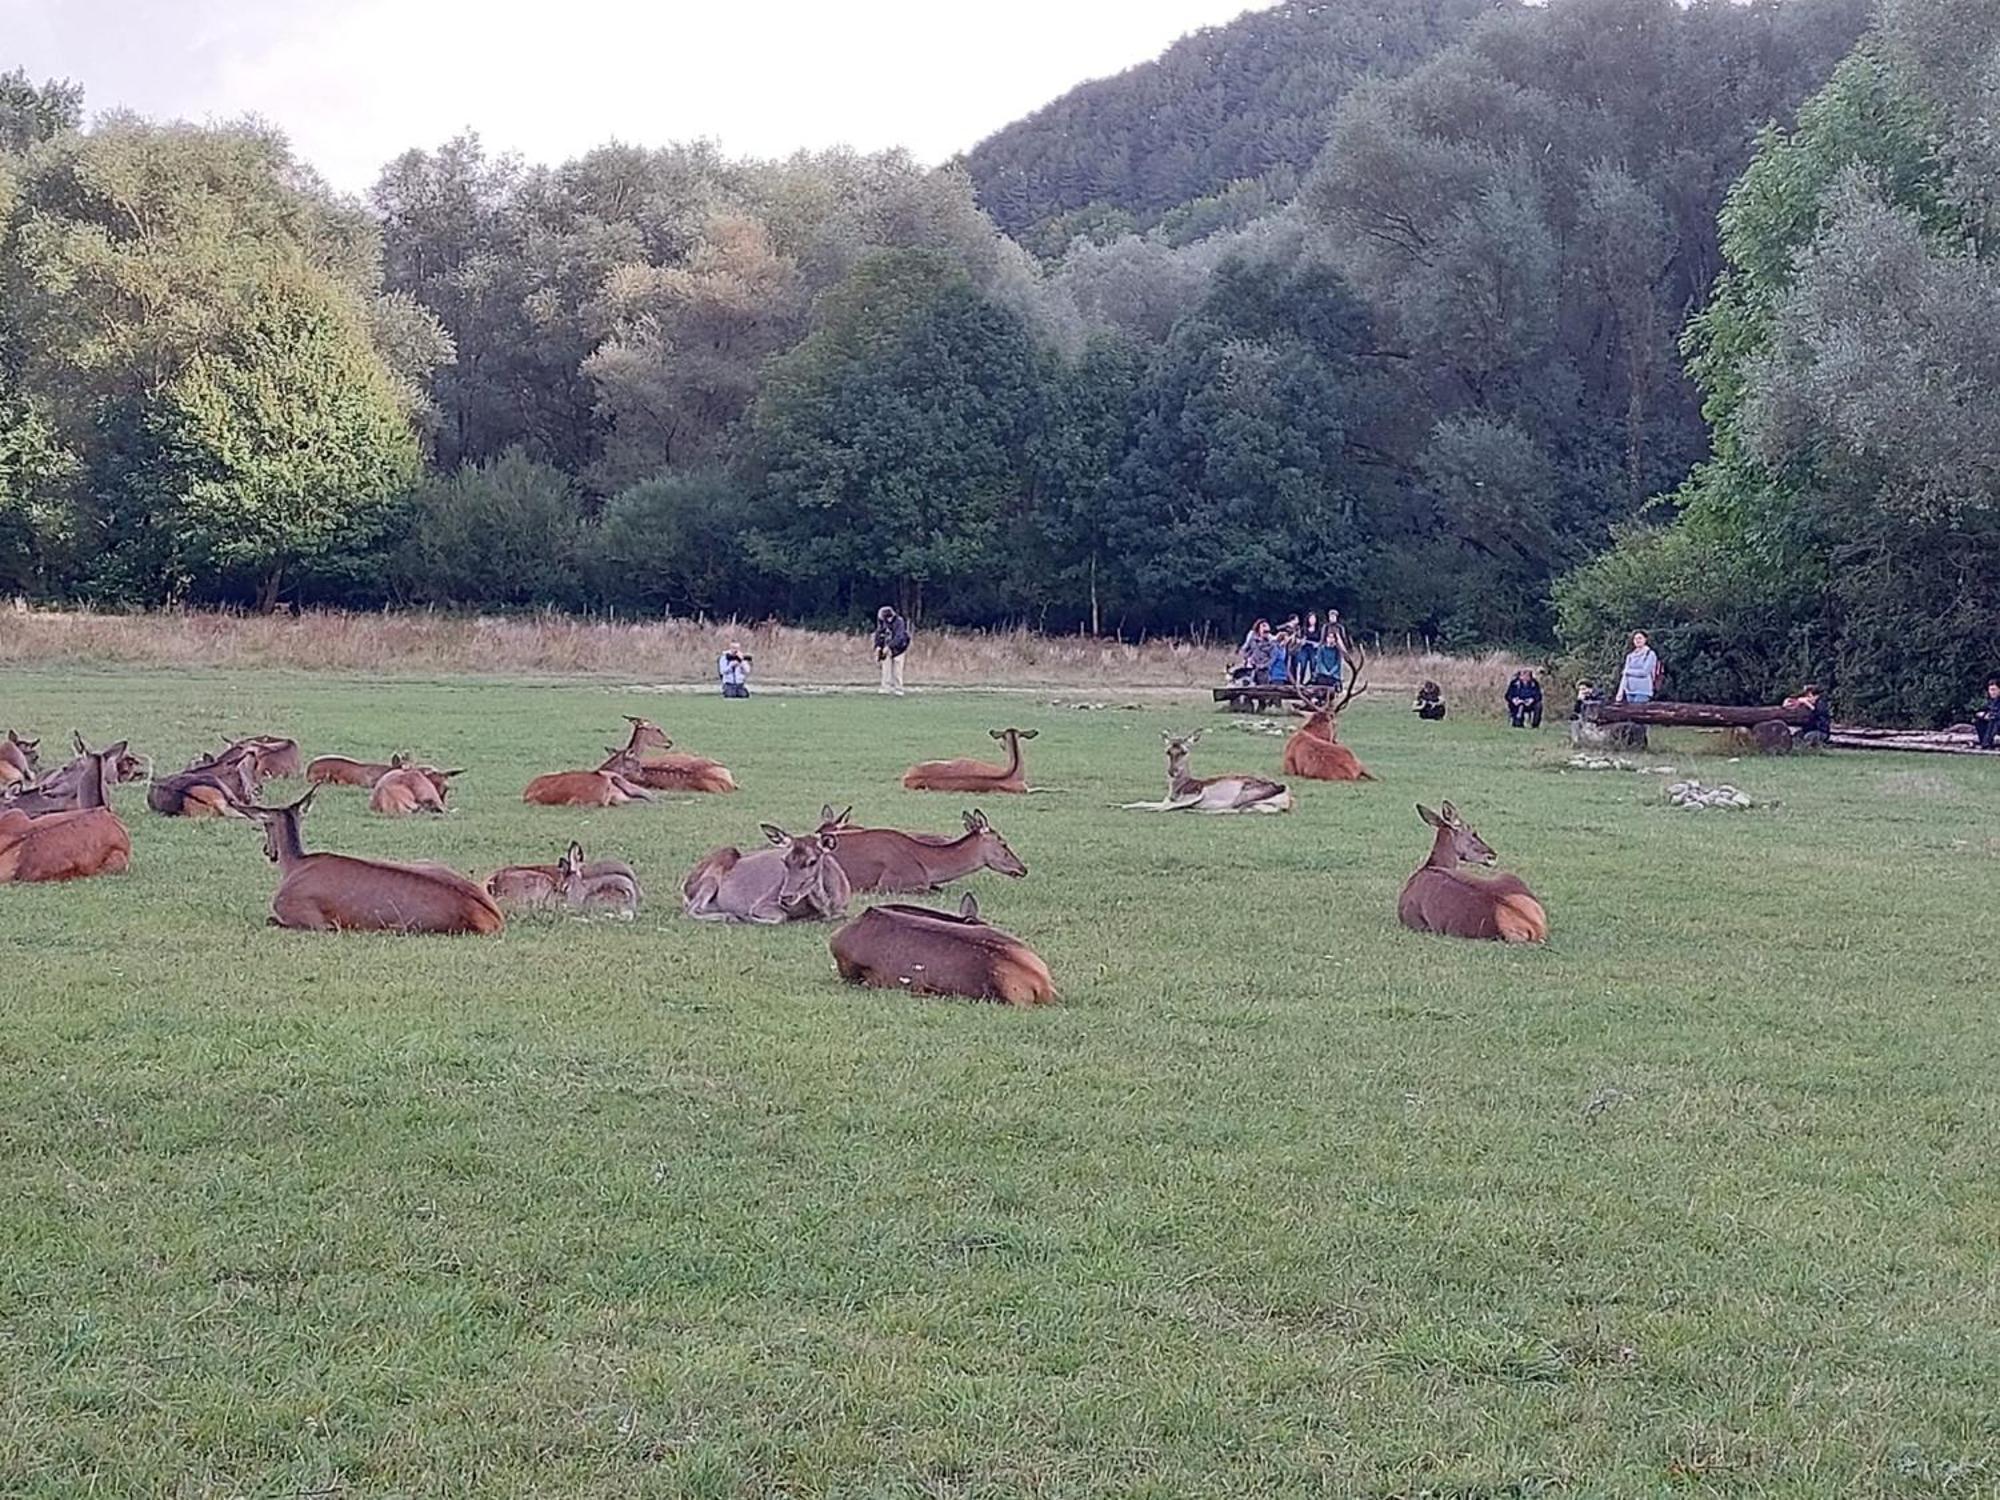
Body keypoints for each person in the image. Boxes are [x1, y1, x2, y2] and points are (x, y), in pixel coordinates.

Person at [1616, 630, 1662, 704]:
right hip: (1629, 691)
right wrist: (1620, 691)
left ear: (1645, 639)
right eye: (1635, 639)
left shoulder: (1650, 654)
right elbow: (1624, 675)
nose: (1637, 640)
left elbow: (1644, 672)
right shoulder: (1630, 656)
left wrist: (1628, 671)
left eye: (1640, 638)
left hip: (1643, 691)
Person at [874, 606, 911, 696]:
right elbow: (879, 634)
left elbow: (899, 637)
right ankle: (885, 687)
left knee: (897, 669)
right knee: (885, 668)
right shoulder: (883, 622)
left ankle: (899, 689)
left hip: (899, 649)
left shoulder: (899, 622)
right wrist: (878, 646)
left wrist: (889, 647)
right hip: (886, 648)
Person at [1974, 678, 2000, 749]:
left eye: (1994, 689)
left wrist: (1991, 716)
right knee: (1979, 721)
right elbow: (1985, 710)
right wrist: (1983, 715)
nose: (1992, 692)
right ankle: (1984, 742)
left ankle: (1986, 743)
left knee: (1994, 720)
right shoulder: (1991, 701)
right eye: (1990, 690)